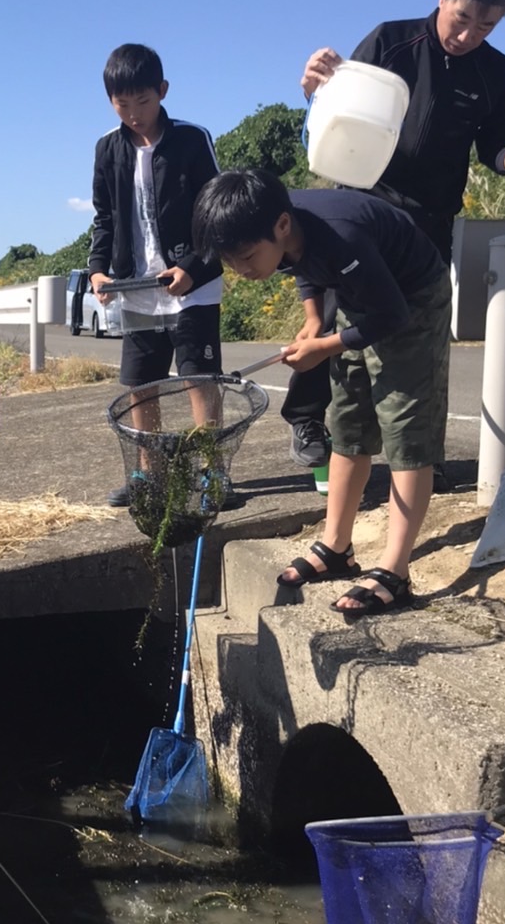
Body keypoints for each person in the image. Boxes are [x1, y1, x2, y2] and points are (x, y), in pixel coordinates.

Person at [286, 0, 505, 481]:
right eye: (462, 19)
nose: (469, 34)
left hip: (429, 225)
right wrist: (312, 88)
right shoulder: (391, 40)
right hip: (365, 209)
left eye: (487, 26)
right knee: (338, 328)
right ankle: (308, 424)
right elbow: (332, 111)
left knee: (410, 337)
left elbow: (496, 150)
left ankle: (408, 452)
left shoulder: (496, 72)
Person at [192, 169, 451, 617]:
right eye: (232, 263)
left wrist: (324, 347)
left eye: (248, 257)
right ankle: (336, 546)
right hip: (360, 300)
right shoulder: (278, 223)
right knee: (347, 422)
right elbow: (303, 267)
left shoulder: (340, 235)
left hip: (412, 300)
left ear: (282, 226)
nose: (244, 271)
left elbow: (392, 315)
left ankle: (395, 568)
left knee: (406, 427)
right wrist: (315, 320)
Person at [88, 43, 229, 507]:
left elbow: (216, 212)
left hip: (193, 287)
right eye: (122, 105)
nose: (134, 114)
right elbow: (103, 218)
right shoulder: (107, 149)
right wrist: (98, 271)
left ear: (163, 91)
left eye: (143, 102)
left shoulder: (192, 139)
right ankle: (151, 476)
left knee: (199, 378)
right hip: (137, 289)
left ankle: (213, 473)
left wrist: (193, 267)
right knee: (141, 384)